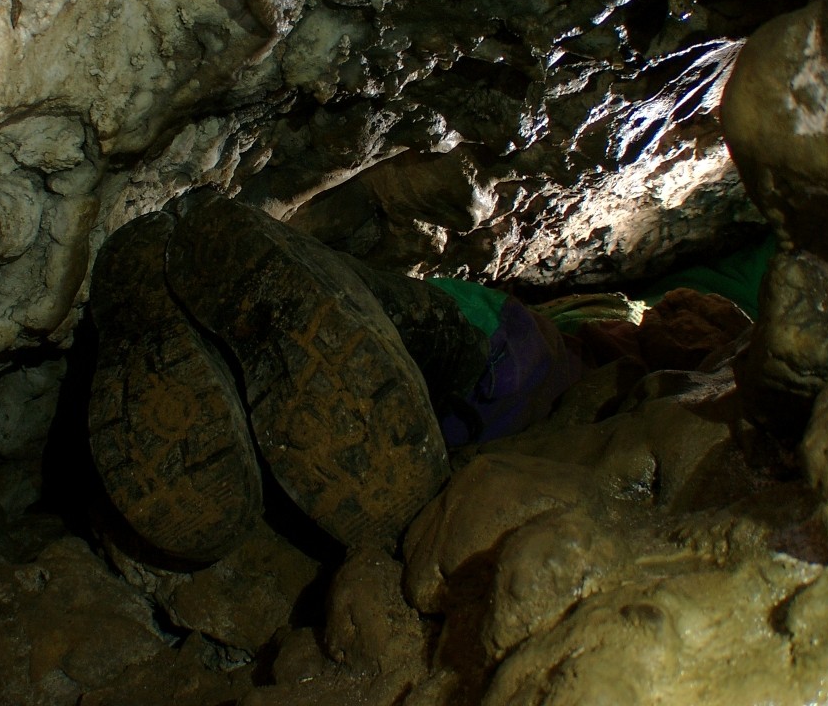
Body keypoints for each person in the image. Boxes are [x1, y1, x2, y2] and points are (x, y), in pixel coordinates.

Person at [86, 191, 582, 564]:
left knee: (407, 313)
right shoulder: (584, 344)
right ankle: (324, 302)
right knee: (427, 338)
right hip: (483, 402)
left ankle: (309, 287)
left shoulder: (567, 330)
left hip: (504, 346)